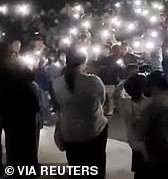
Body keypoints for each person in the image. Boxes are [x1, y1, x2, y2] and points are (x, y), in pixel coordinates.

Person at [52, 51, 108, 179]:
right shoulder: (94, 81)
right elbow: (102, 101)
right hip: (93, 129)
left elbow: (58, 107)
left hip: (69, 131)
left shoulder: (57, 83)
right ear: (84, 63)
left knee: (76, 165)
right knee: (97, 162)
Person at [0, 42, 41, 170]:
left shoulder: (6, 66)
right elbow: (30, 76)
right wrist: (34, 66)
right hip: (23, 107)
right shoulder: (14, 66)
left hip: (8, 108)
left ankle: (13, 166)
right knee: (26, 140)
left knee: (12, 141)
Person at [116, 74, 149, 179]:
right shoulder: (151, 104)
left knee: (139, 171)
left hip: (135, 144)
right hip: (152, 144)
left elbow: (116, 95)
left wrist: (126, 80)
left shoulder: (125, 105)